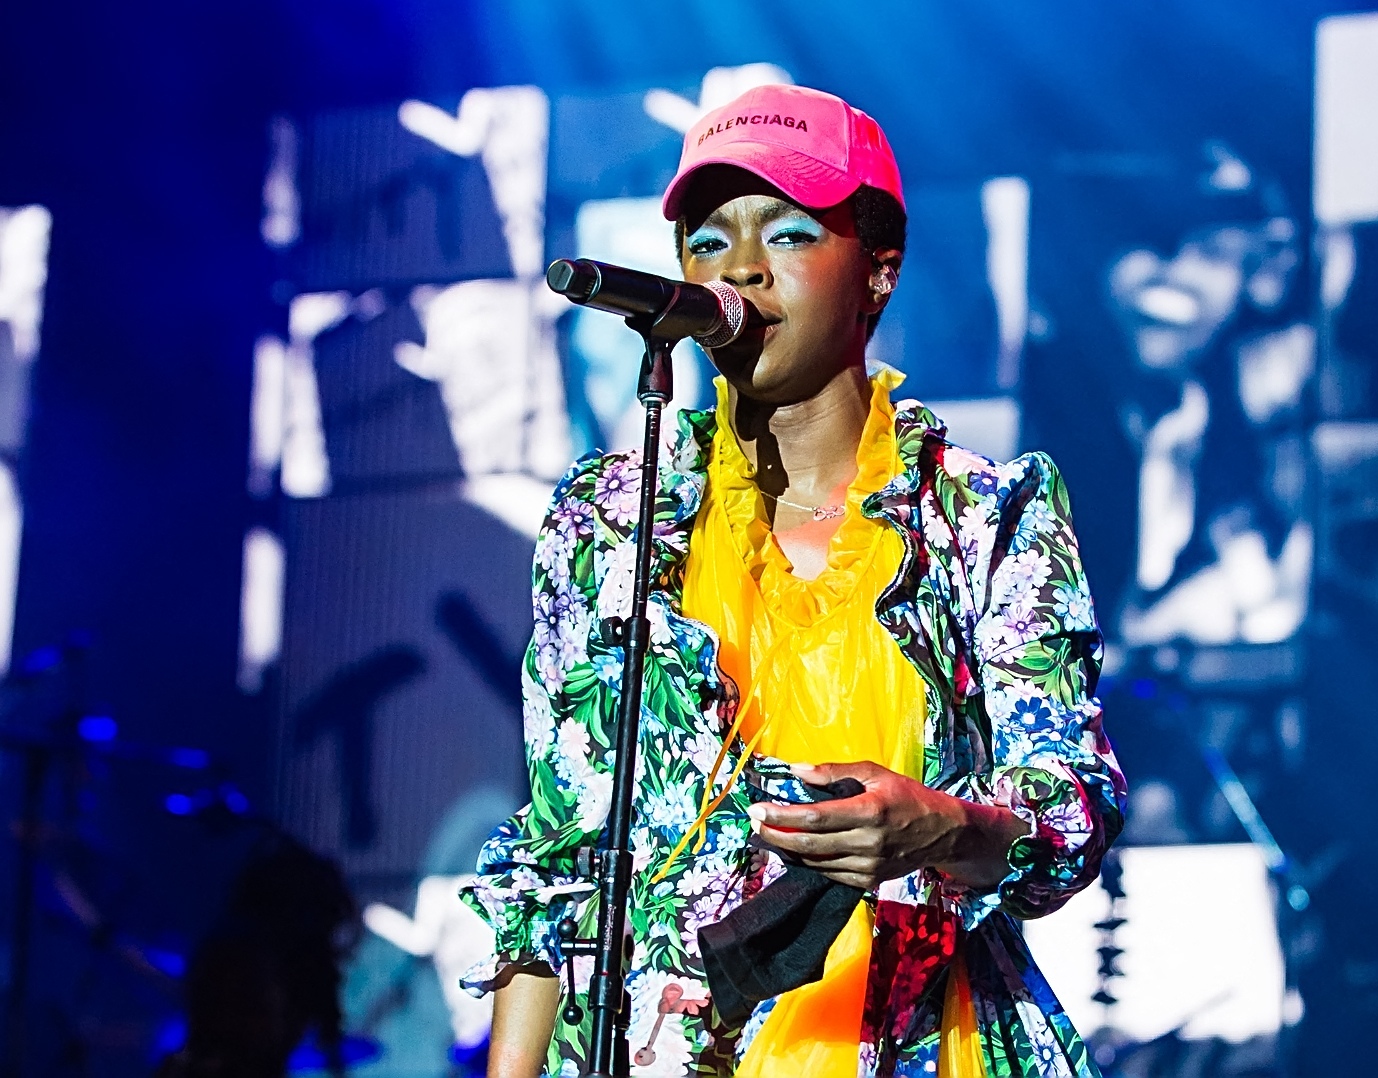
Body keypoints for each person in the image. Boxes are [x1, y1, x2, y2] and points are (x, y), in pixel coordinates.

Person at [461, 84, 1124, 1078]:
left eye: (790, 231)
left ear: (879, 268)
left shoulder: (985, 519)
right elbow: (560, 855)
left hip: (917, 1040)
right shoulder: (610, 524)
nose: (740, 268)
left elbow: (1070, 812)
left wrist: (946, 825)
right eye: (708, 238)